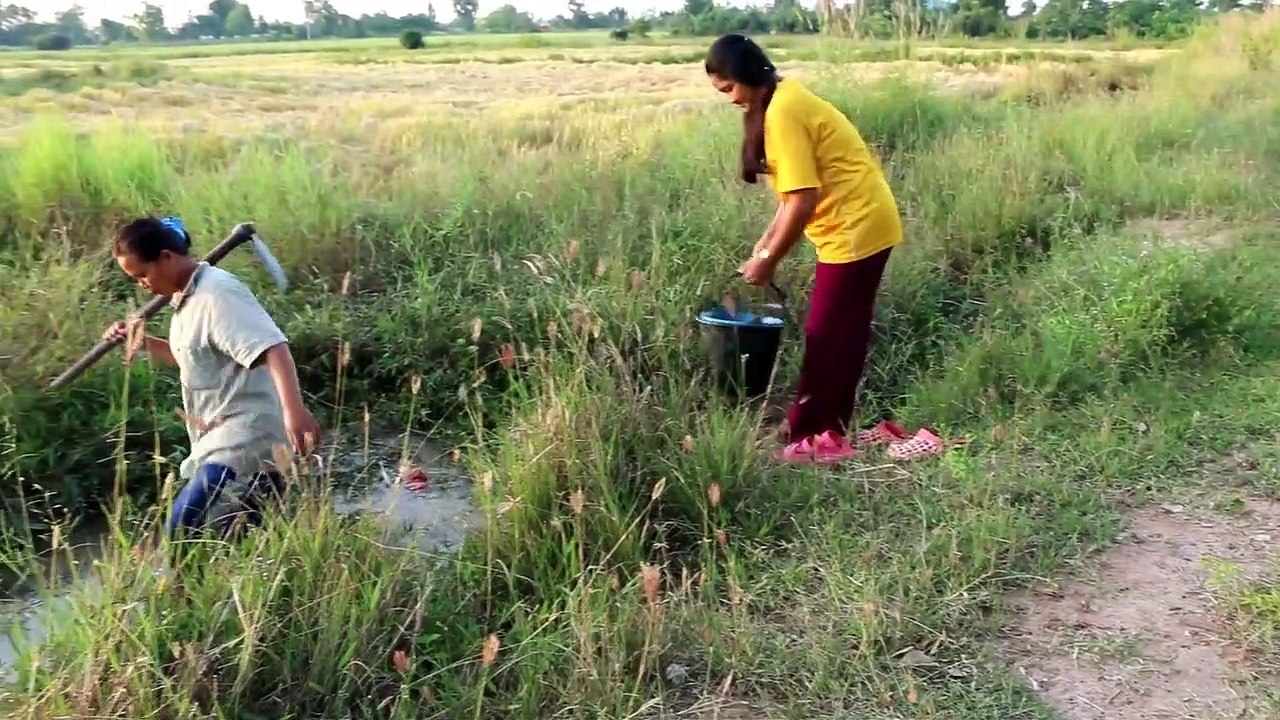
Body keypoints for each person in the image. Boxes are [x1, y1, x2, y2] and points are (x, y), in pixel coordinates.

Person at [705, 33, 904, 464]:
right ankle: (818, 427)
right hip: (855, 225)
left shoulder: (784, 112)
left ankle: (818, 436)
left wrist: (769, 261)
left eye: (729, 89)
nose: (730, 100)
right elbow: (790, 196)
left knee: (829, 334)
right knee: (837, 332)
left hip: (855, 228)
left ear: (746, 77)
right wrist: (763, 246)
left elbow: (803, 200)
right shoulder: (782, 99)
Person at [102, 215, 320, 546]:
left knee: (182, 524)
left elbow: (273, 348)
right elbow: (194, 360)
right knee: (240, 535)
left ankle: (174, 587)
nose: (142, 285)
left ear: (166, 258)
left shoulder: (218, 294)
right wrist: (143, 341)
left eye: (142, 275)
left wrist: (295, 412)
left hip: (248, 431)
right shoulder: (186, 300)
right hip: (220, 433)